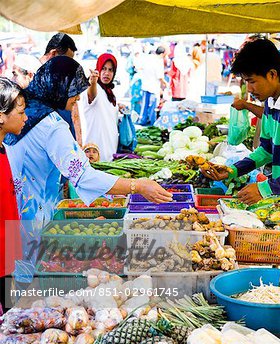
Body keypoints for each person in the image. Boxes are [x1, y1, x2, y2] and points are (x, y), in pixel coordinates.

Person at [5, 56, 171, 284]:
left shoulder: (25, 112)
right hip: (36, 222)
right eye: (74, 89)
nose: (78, 96)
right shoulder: (52, 126)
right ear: (59, 87)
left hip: (14, 213)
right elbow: (83, 175)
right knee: (32, 287)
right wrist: (137, 186)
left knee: (17, 281)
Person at [202, 38, 280, 207]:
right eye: (246, 82)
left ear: (272, 74)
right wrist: (233, 170)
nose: (249, 89)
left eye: (252, 81)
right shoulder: (272, 101)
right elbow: (266, 151)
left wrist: (265, 189)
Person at [0, 78, 27, 311]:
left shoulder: (6, 149)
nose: (25, 117)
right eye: (20, 112)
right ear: (1, 115)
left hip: (6, 254)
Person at [78, 53, 120, 162]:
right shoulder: (94, 88)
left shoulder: (110, 93)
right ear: (99, 69)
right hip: (95, 151)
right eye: (104, 69)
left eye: (110, 70)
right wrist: (93, 81)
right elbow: (91, 95)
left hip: (110, 148)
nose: (107, 73)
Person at [138, 46, 167, 126]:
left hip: (145, 85)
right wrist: (166, 84)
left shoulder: (148, 57)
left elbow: (140, 68)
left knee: (144, 105)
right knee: (152, 107)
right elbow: (160, 76)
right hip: (153, 87)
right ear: (163, 53)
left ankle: (142, 120)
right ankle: (152, 123)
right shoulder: (158, 61)